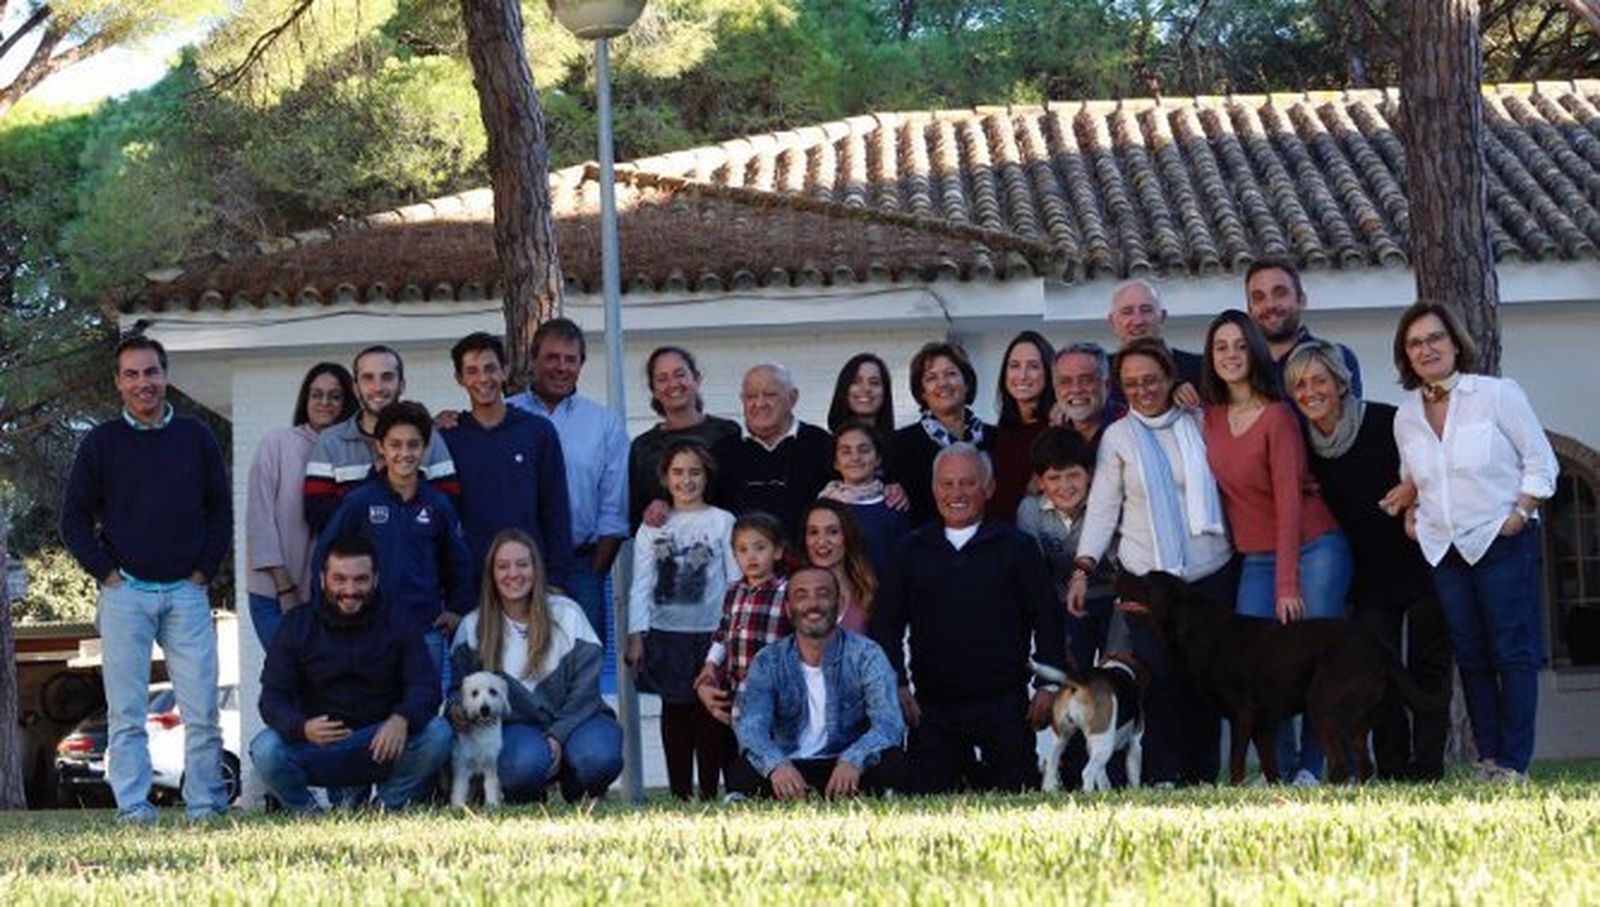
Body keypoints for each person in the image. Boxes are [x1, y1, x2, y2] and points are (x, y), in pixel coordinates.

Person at [60, 334, 231, 823]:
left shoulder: (196, 437)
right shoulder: (101, 443)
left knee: (202, 711)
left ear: (165, 375)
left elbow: (219, 509)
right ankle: (133, 809)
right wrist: (106, 574)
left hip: (186, 592)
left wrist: (203, 571)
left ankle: (205, 808)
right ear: (118, 383)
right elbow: (73, 519)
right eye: (131, 374)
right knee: (127, 714)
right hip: (126, 593)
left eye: (151, 372)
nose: (143, 383)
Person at [1392, 302, 1558, 782]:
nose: (1426, 349)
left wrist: (1519, 514)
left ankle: (1514, 762)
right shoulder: (1405, 416)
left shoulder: (1496, 395)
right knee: (1471, 654)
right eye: (1415, 343)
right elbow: (1416, 477)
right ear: (1406, 356)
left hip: (1500, 541)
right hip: (1445, 550)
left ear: (1454, 342)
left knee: (1514, 650)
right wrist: (1411, 517)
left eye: (1434, 338)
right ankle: (1489, 759)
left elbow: (1541, 460)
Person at [1286, 340, 1452, 781]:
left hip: (1420, 565)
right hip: (1365, 582)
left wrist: (1411, 490)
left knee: (1428, 671)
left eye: (1319, 380)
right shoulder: (1300, 446)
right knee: (1379, 680)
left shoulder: (1386, 422)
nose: (1310, 391)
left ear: (1340, 384)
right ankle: (1395, 769)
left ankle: (1429, 769)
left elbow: (1432, 469)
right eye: (1299, 384)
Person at [1071, 339, 1234, 787]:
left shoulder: (1200, 420)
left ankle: (1202, 775)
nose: (1143, 390)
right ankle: (1162, 775)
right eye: (1132, 384)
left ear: (1170, 378)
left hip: (1209, 574)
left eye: (1151, 380)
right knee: (1158, 679)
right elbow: (1104, 506)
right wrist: (1083, 567)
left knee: (1205, 678)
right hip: (1146, 580)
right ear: (1120, 389)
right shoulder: (1118, 436)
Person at [1200, 309, 1351, 784]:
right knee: (1260, 671)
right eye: (1221, 347)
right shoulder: (1208, 419)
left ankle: (1314, 765)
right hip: (1257, 559)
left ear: (1256, 351)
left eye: (1240, 345)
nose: (1231, 355)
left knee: (1313, 665)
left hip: (1312, 548)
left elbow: (1289, 502)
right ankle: (1276, 769)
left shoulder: (1279, 416)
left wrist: (1288, 583)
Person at [872, 444, 1067, 793]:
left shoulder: (1017, 547)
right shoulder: (910, 550)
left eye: (967, 483)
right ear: (934, 490)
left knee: (1017, 799)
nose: (956, 494)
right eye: (947, 484)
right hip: (931, 708)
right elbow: (886, 623)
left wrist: (1049, 685)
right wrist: (896, 683)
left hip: (1005, 704)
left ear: (988, 488)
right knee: (927, 806)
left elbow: (1047, 617)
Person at [252, 535, 453, 812]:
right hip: (318, 745)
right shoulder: (296, 625)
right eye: (340, 579)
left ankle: (383, 807)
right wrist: (302, 727)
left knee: (438, 733)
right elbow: (272, 699)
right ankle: (307, 816)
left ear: (375, 580)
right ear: (323, 580)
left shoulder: (399, 620)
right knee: (265, 749)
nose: (350, 589)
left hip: (380, 743)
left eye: (360, 579)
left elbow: (425, 686)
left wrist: (402, 718)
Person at [448, 529, 624, 802]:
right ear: (491, 574)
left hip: (579, 720)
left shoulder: (568, 613)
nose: (513, 574)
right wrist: (456, 709)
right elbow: (458, 692)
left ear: (536, 569)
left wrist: (557, 736)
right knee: (522, 766)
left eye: (522, 564)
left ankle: (578, 789)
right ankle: (530, 794)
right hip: (517, 728)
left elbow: (586, 690)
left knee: (598, 757)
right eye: (503, 566)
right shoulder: (473, 626)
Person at [312, 402, 474, 693]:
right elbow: (325, 557)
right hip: (368, 630)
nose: (404, 453)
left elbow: (459, 561)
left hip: (425, 629)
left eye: (413, 445)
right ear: (380, 448)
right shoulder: (359, 501)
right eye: (395, 444)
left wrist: (456, 609)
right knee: (372, 714)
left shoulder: (438, 504)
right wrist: (333, 615)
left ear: (425, 448)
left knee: (424, 715)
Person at [726, 567, 908, 800]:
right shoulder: (768, 660)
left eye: (823, 594)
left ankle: (858, 790)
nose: (813, 604)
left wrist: (854, 759)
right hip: (792, 764)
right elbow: (752, 727)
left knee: (894, 763)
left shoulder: (866, 654)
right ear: (788, 608)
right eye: (801, 595)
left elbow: (889, 723)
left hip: (846, 764)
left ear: (839, 604)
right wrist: (777, 765)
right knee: (743, 771)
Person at [508, 319, 630, 660]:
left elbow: (614, 504)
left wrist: (596, 569)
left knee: (582, 666)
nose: (561, 367)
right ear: (533, 360)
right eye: (552, 357)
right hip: (514, 567)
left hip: (581, 567)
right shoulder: (506, 414)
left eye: (570, 359)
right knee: (516, 662)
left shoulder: (604, 423)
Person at [626, 440, 740, 800]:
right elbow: (641, 584)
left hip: (712, 635)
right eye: (678, 473)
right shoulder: (652, 527)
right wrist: (635, 633)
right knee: (675, 712)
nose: (686, 481)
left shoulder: (722, 521)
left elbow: (735, 580)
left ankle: (708, 793)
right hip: (666, 634)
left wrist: (730, 632)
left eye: (695, 472)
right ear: (665, 477)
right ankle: (679, 794)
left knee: (710, 715)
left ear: (707, 477)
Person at [438, 332, 575, 596]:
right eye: (472, 371)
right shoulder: (447, 439)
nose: (483, 379)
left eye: (490, 368)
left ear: (505, 370)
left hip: (529, 578)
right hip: (472, 583)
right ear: (459, 379)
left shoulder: (537, 432)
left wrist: (557, 582)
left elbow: (556, 510)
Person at [247, 362, 357, 648]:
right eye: (316, 394)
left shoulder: (356, 451)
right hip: (274, 593)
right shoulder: (278, 443)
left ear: (347, 402)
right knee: (289, 682)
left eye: (335, 396)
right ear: (305, 399)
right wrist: (285, 588)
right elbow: (260, 519)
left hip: (334, 598)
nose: (324, 403)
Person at [303, 345, 458, 532]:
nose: (378, 387)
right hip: (353, 558)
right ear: (356, 387)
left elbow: (452, 507)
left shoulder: (430, 439)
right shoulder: (330, 442)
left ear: (401, 384)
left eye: (387, 377)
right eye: (368, 378)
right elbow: (316, 516)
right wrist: (374, 485)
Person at [1016, 427, 1113, 673]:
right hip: (1062, 602)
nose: (1065, 486)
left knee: (1114, 670)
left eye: (1073, 475)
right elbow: (1035, 574)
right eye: (1054, 478)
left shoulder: (1105, 505)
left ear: (1090, 475)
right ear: (1039, 481)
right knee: (1071, 673)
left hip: (1111, 597)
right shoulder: (1030, 511)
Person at [710, 362, 835, 536]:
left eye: (770, 395)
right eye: (751, 396)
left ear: (793, 398)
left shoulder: (823, 445)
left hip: (807, 561)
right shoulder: (721, 452)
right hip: (739, 562)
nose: (760, 403)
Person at [628, 345, 740, 529]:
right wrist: (649, 511)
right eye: (662, 379)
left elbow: (738, 498)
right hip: (665, 550)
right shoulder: (643, 447)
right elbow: (634, 514)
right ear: (654, 390)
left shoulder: (727, 432)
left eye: (680, 374)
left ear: (696, 379)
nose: (673, 384)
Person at [696, 512, 790, 724]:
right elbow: (723, 632)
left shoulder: (787, 591)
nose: (751, 556)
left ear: (777, 551)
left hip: (776, 691)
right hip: (739, 690)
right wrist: (710, 664)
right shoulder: (733, 591)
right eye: (743, 550)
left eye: (760, 548)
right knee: (747, 746)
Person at [889, 342, 994, 527]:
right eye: (931, 378)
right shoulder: (899, 445)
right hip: (928, 550)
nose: (942, 383)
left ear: (967, 383)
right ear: (922, 391)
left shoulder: (997, 438)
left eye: (951, 374)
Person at [1243, 258, 1363, 396]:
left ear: (1301, 300)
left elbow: (1351, 416)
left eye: (1280, 293)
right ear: (1249, 310)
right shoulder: (1238, 369)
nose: (1270, 305)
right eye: (1259, 297)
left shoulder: (1336, 360)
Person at [818, 423, 911, 581]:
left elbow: (904, 563)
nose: (855, 457)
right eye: (846, 451)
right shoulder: (823, 507)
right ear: (836, 462)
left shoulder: (894, 504)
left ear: (878, 459)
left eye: (864, 450)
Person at [990, 331, 1057, 527]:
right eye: (1014, 366)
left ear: (1049, 372)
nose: (1022, 375)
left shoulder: (1057, 428)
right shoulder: (996, 434)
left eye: (1033, 366)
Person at [1104, 280, 1203, 407]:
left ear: (1162, 317)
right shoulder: (1099, 373)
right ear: (1112, 322)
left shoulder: (1200, 369)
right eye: (1127, 312)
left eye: (1146, 310)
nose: (1138, 321)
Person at [798, 499, 877, 634]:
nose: (822, 541)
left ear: (847, 536)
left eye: (833, 532)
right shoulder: (791, 593)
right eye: (813, 532)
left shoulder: (868, 593)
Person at [1048, 341, 1124, 457]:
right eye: (1065, 381)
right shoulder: (1053, 437)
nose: (1076, 389)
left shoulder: (1131, 428)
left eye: (1086, 380)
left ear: (1107, 385)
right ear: (1055, 389)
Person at [826, 353, 897, 436]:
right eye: (856, 381)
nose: (866, 388)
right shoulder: (824, 444)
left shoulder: (900, 445)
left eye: (874, 383)